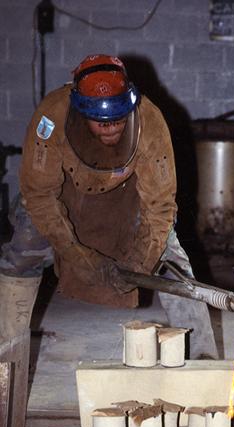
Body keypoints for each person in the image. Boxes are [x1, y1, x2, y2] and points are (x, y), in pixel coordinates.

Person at [0, 54, 218, 359]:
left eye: (118, 118)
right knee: (22, 251)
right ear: (80, 111)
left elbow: (160, 207)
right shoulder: (51, 117)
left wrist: (141, 263)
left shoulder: (150, 122)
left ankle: (202, 358)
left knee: (172, 261)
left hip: (127, 199)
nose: (111, 127)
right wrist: (80, 257)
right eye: (101, 121)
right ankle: (6, 355)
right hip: (64, 196)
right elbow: (39, 196)